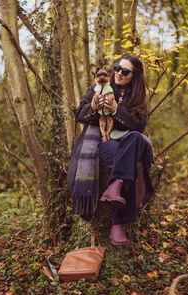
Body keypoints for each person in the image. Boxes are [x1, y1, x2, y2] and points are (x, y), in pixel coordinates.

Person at [67, 54, 154, 246]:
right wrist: (93, 105)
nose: (118, 73)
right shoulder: (99, 88)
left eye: (125, 71)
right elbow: (79, 115)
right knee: (129, 162)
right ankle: (118, 223)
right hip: (104, 144)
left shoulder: (137, 98)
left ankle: (115, 187)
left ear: (134, 76)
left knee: (136, 138)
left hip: (127, 143)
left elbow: (138, 125)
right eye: (117, 68)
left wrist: (116, 109)